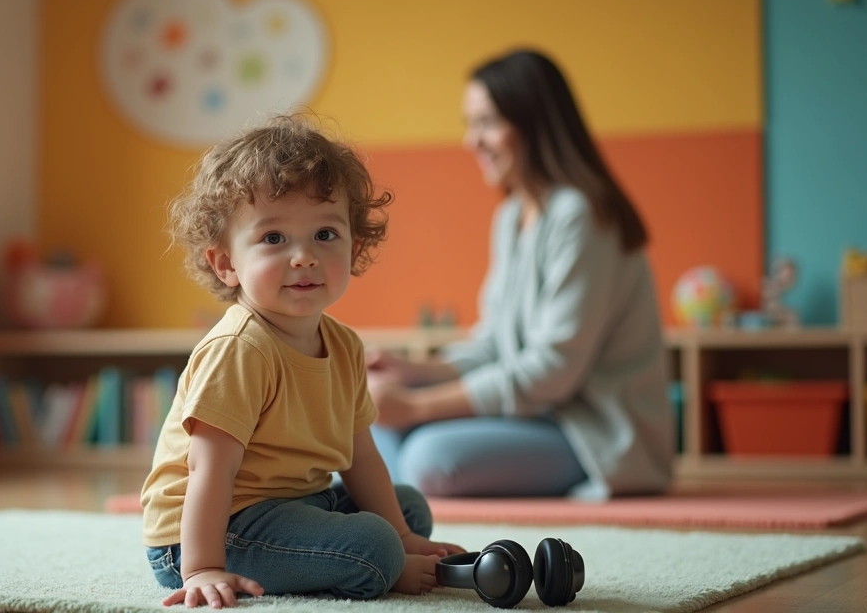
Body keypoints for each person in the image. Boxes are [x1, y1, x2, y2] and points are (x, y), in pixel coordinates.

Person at [141, 115, 465, 609]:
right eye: (274, 238)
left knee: (407, 509)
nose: (304, 257)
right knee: (376, 547)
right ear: (226, 263)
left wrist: (403, 535)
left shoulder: (345, 346)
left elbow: (361, 456)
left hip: (293, 503)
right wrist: (203, 567)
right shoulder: (240, 348)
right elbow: (209, 471)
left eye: (325, 234)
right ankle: (375, 562)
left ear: (355, 246)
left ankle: (374, 548)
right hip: (211, 529)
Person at [366, 49, 673, 501]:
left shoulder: (580, 215)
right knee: (369, 421)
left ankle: (388, 497)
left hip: (591, 432)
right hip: (534, 416)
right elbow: (494, 345)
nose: (472, 141)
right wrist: (416, 371)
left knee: (429, 458)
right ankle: (388, 503)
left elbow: (553, 371)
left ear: (536, 124)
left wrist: (416, 405)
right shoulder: (512, 217)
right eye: (469, 124)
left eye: (487, 122)